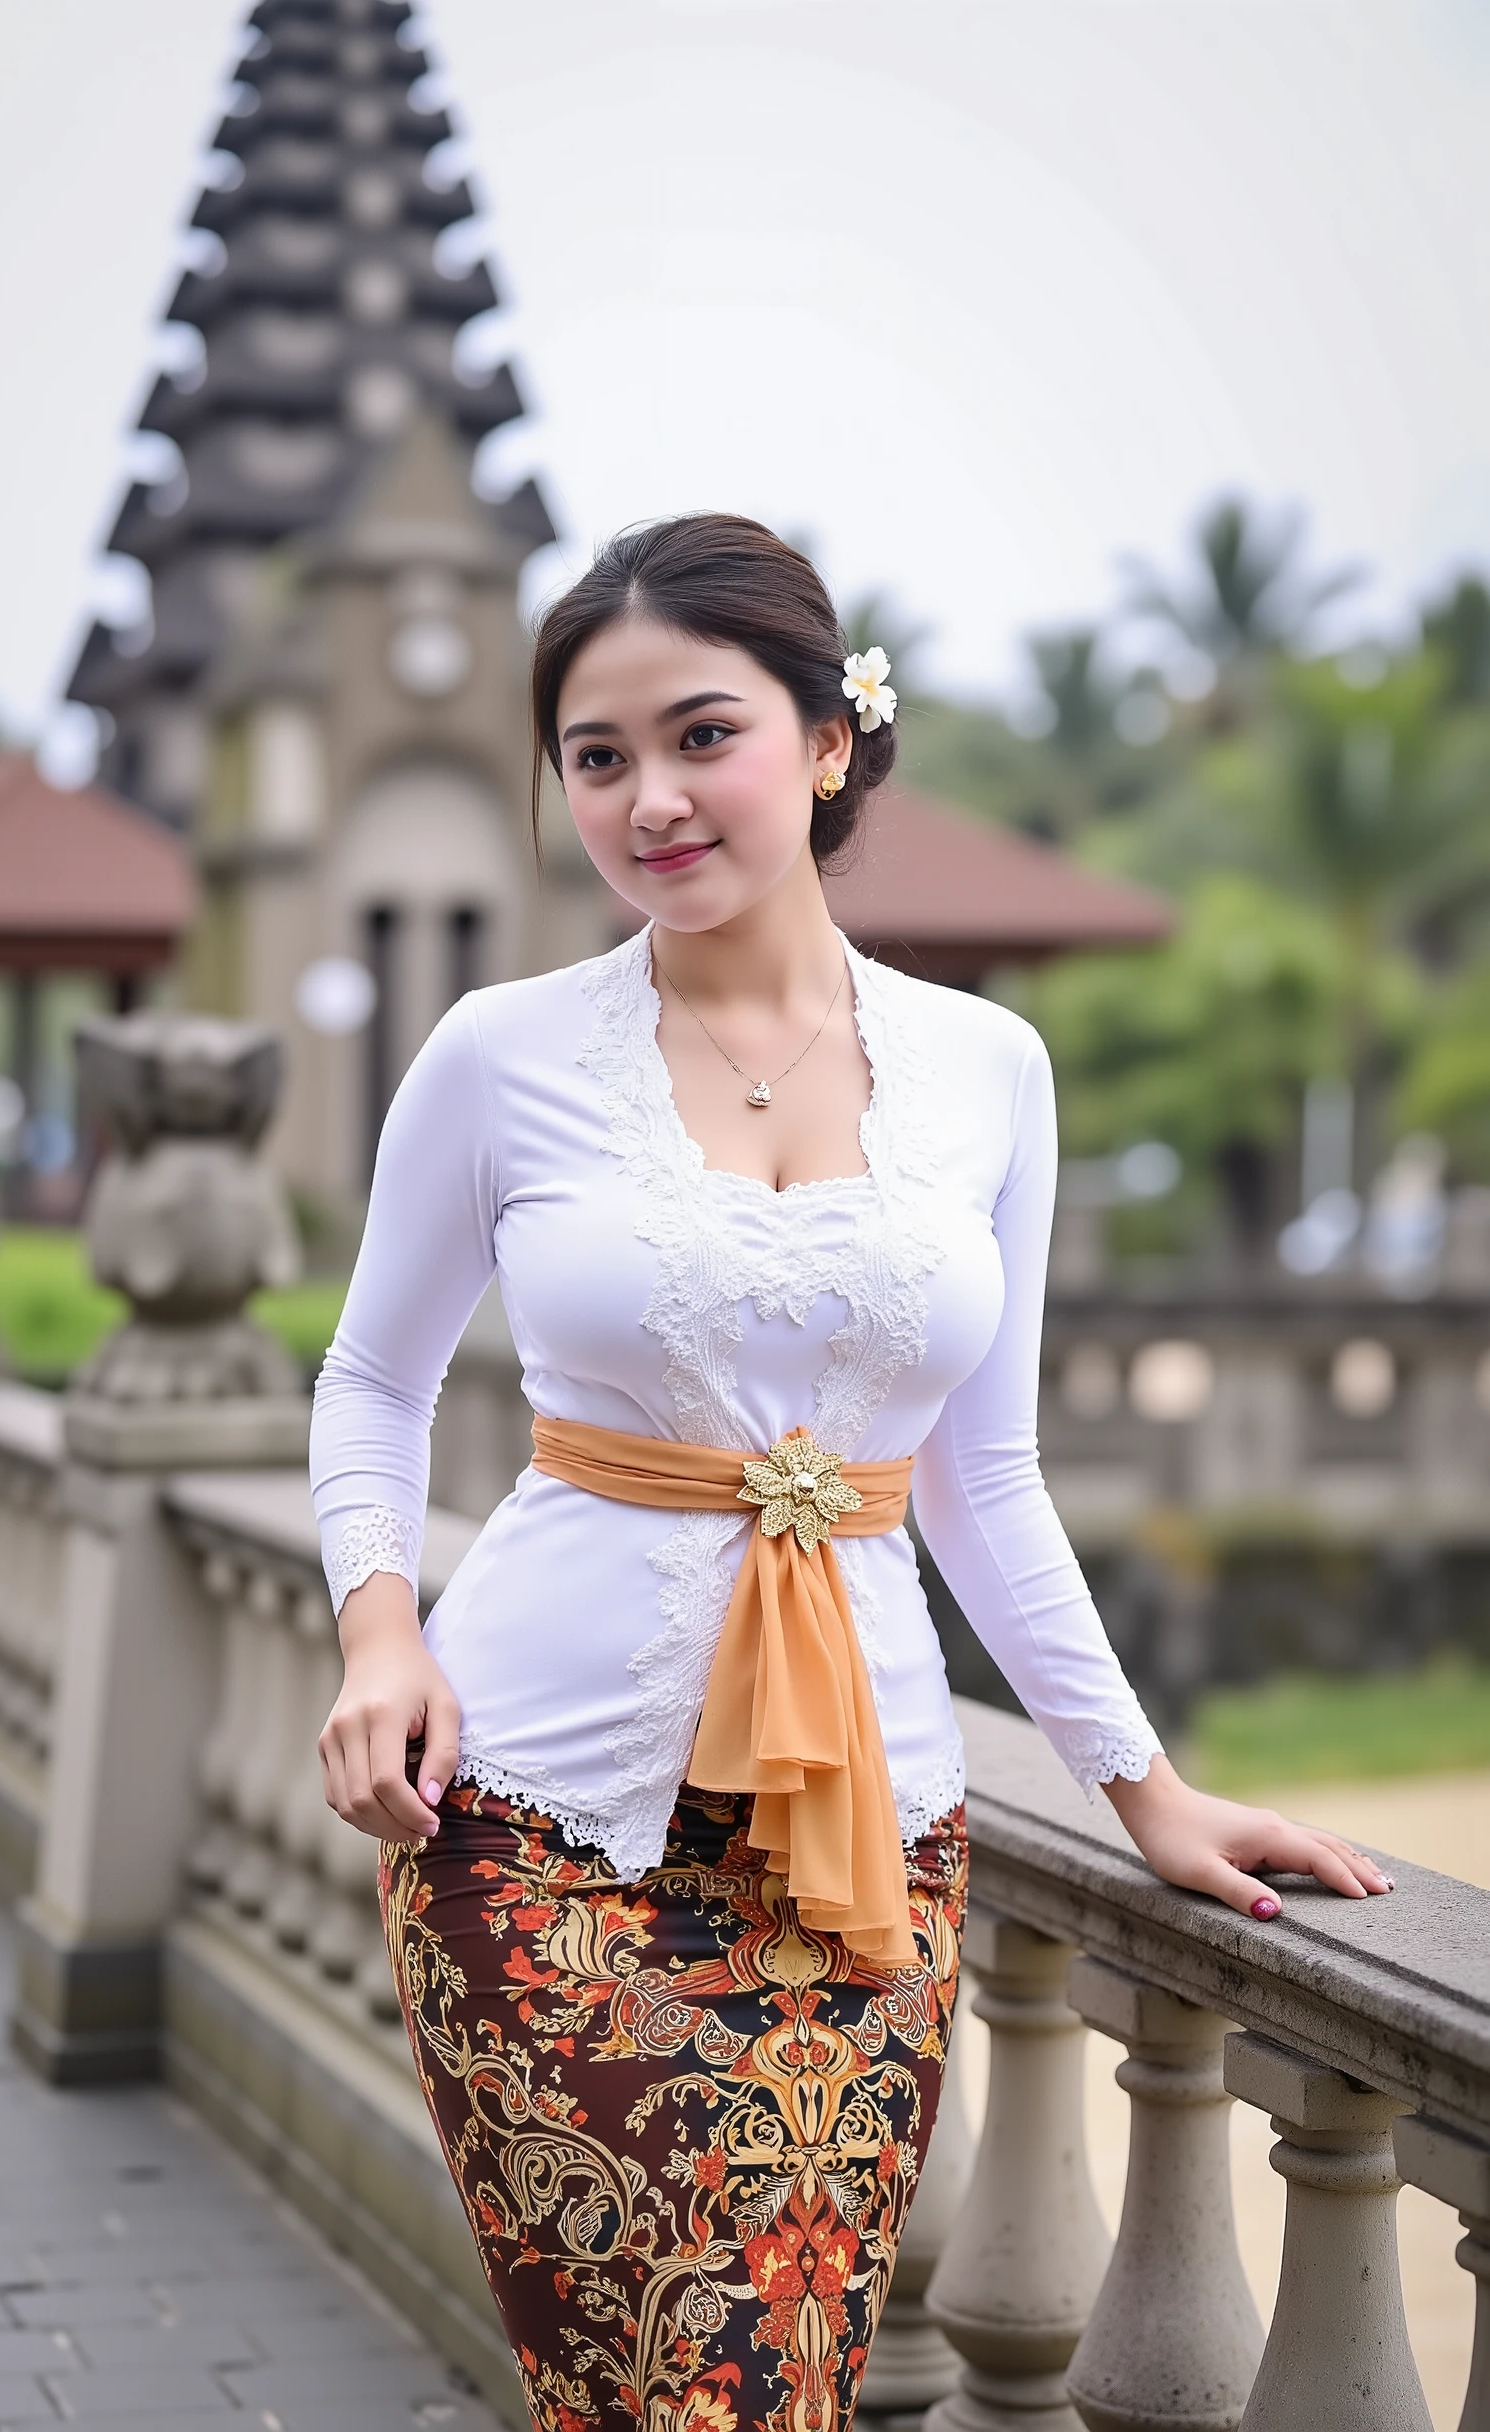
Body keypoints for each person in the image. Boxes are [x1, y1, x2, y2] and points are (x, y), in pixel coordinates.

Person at [312, 514, 1389, 2432]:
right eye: (595, 755)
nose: (648, 798)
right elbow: (374, 1378)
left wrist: (1147, 1791)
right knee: (655, 2385)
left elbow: (988, 1476)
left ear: (828, 739)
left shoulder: (991, 1068)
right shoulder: (498, 1056)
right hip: (538, 1826)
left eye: (700, 734)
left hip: (865, 1851)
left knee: (792, 2378)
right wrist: (379, 1631)